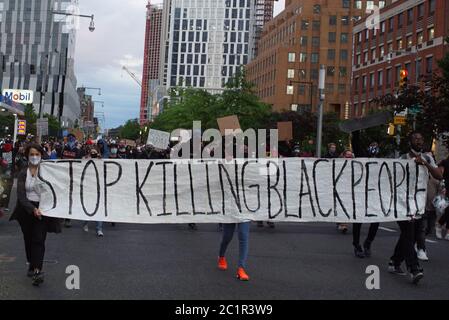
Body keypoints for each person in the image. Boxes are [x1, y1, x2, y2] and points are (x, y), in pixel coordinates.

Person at [389, 132, 443, 284]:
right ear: (410, 141)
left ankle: (394, 261)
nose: (419, 141)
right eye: (415, 139)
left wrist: (424, 164)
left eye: (421, 139)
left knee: (408, 236)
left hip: (418, 205)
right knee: (408, 234)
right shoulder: (401, 160)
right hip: (401, 204)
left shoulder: (428, 158)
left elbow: (439, 175)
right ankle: (414, 269)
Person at [9, 143, 61, 286]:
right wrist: (32, 209)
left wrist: (42, 208)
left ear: (41, 155)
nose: (34, 157)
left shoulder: (48, 172)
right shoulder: (22, 173)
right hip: (26, 210)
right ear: (27, 156)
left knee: (39, 239)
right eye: (31, 154)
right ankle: (32, 264)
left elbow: (53, 191)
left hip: (43, 209)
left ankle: (38, 270)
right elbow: (21, 195)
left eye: (37, 154)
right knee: (28, 239)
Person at [352, 142, 380, 258]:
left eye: (376, 145)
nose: (374, 147)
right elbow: (356, 142)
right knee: (358, 220)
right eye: (372, 144)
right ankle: (357, 245)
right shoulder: (362, 156)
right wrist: (357, 127)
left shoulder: (382, 160)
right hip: (361, 193)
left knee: (376, 220)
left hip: (374, 194)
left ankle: (368, 242)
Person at [81, 148, 104, 237]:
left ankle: (99, 229)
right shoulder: (86, 159)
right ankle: (85, 223)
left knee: (99, 209)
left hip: (98, 188)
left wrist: (100, 159)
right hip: (88, 188)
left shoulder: (100, 160)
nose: (93, 153)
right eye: (92, 152)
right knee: (89, 207)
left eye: (95, 152)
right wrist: (87, 158)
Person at [436, 155, 449, 239]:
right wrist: (443, 186)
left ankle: (447, 232)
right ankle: (439, 224)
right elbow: (440, 175)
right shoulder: (445, 162)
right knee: (448, 209)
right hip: (447, 188)